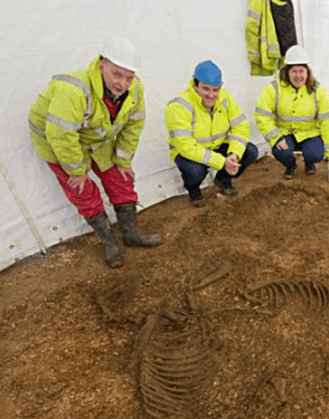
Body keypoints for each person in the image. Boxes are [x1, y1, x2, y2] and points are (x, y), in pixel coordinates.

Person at [28, 37, 161, 269]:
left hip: (93, 138)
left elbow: (133, 126)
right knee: (82, 190)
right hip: (57, 141)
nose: (123, 83)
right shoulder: (74, 90)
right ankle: (110, 242)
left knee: (121, 179)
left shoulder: (134, 90)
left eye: (129, 77)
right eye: (116, 75)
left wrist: (122, 160)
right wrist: (76, 170)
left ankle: (131, 234)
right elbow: (61, 135)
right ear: (101, 65)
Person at [165, 60, 260, 207]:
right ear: (195, 86)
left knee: (250, 151)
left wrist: (234, 154)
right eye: (205, 89)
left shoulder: (225, 98)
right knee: (195, 172)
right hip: (189, 153)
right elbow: (186, 146)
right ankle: (193, 189)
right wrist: (222, 162)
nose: (211, 95)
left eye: (215, 90)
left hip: (217, 145)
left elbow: (241, 125)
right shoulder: (179, 106)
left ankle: (223, 179)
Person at [254, 45, 329, 179]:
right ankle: (290, 165)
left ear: (307, 72)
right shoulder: (274, 89)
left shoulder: (317, 90)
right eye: (294, 71)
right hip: (284, 133)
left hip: (309, 134)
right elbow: (262, 116)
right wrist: (276, 138)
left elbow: (327, 120)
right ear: (286, 71)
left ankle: (310, 163)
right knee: (281, 151)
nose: (298, 76)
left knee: (315, 154)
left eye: (301, 71)